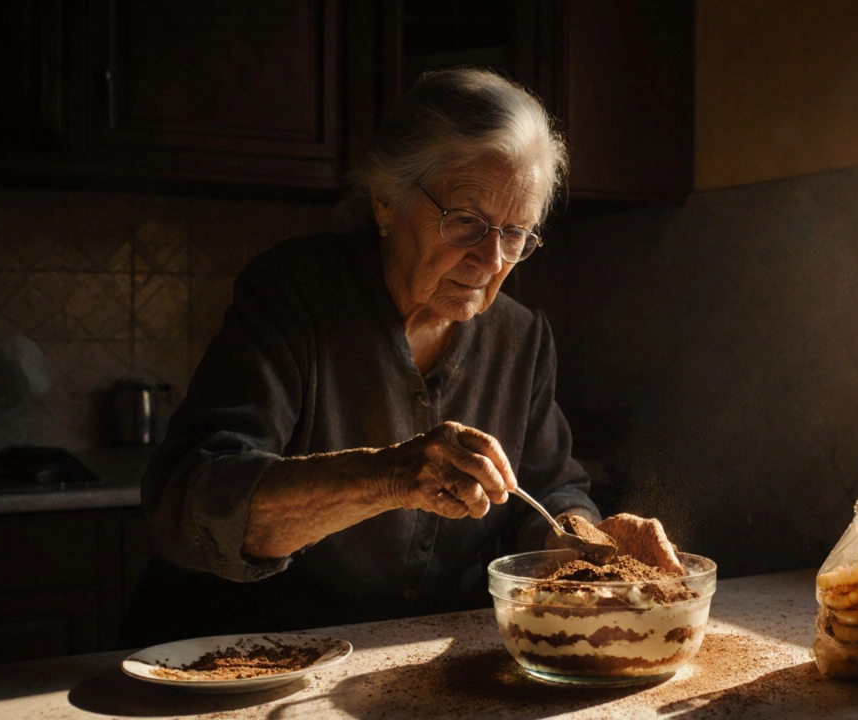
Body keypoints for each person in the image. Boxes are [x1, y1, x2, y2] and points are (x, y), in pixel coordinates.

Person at [119, 67, 598, 647]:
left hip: (406, 670)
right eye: (467, 222)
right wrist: (387, 477)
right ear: (386, 202)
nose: (492, 260)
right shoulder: (293, 296)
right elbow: (191, 498)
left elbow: (549, 492)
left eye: (515, 232)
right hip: (245, 660)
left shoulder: (520, 339)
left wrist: (575, 537)